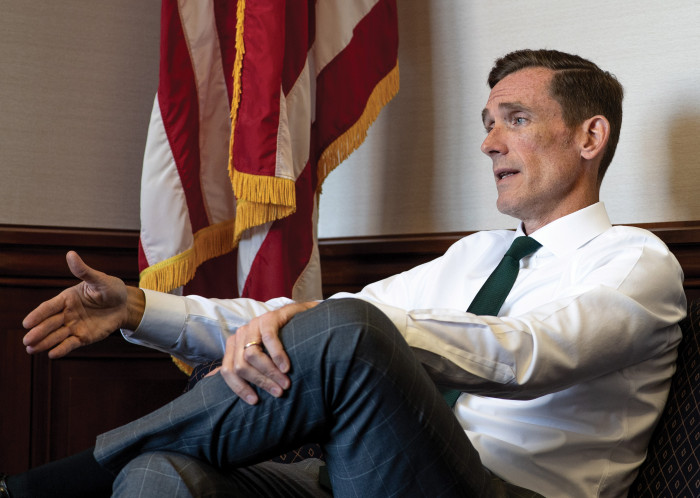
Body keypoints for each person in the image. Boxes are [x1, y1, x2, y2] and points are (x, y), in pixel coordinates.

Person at [4, 49, 686, 498]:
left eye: (516, 119)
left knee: (350, 328)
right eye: (487, 123)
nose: (488, 142)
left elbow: (529, 355)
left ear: (589, 138)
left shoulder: (637, 263)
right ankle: (104, 474)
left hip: (509, 491)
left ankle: (54, 488)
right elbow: (308, 325)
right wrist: (140, 310)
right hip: (363, 471)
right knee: (161, 479)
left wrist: (351, 330)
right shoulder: (477, 254)